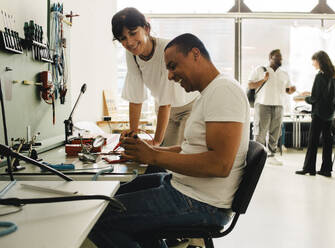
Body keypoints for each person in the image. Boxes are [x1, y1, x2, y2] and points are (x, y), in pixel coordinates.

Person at [88, 33, 250, 248]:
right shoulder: (209, 92)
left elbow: (220, 165)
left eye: (173, 66)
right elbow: (187, 149)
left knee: (99, 219)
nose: (170, 76)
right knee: (117, 194)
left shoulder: (224, 90)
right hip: (187, 188)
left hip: (203, 203)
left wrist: (155, 156)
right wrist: (148, 151)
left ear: (195, 54)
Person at [111, 8, 199, 147]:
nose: (130, 42)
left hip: (188, 107)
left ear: (146, 28)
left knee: (178, 152)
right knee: (163, 154)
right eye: (123, 38)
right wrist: (133, 134)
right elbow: (135, 96)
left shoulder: (166, 49)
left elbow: (167, 102)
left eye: (133, 33)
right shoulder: (132, 54)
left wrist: (156, 142)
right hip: (164, 109)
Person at [248, 49, 296, 165]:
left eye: (281, 58)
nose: (280, 60)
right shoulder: (260, 70)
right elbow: (250, 85)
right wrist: (263, 80)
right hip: (263, 104)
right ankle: (256, 156)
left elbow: (287, 90)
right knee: (260, 131)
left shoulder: (284, 73)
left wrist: (291, 91)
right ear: (270, 58)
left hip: (279, 105)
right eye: (277, 57)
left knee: (275, 132)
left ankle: (271, 156)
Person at [295, 51, 335, 177]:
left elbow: (315, 98)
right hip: (329, 114)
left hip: (319, 114)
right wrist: (309, 93)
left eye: (314, 61)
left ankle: (309, 168)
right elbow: (326, 95)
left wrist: (303, 98)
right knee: (327, 141)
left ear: (319, 61)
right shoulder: (334, 77)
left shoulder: (319, 76)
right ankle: (326, 169)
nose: (313, 63)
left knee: (313, 141)